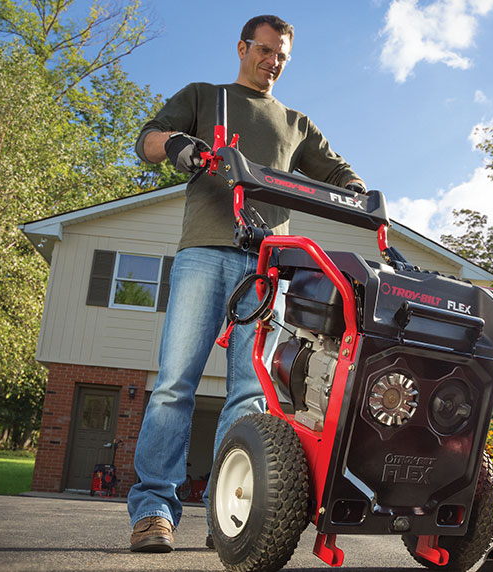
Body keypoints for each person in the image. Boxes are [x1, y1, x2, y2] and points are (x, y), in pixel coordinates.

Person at [127, 15, 365, 553]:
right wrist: (179, 147)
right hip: (203, 255)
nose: (272, 62)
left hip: (264, 265)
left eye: (281, 55)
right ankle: (152, 513)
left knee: (249, 395)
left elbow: (337, 172)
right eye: (264, 51)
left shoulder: (296, 123)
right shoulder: (205, 95)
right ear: (242, 47)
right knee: (174, 385)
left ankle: (224, 513)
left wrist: (355, 189)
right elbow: (146, 142)